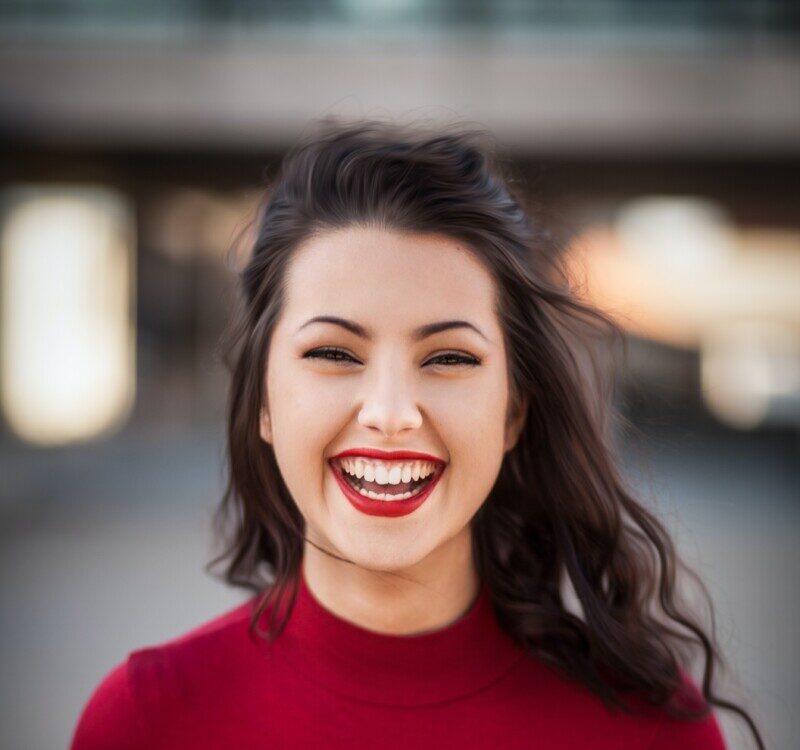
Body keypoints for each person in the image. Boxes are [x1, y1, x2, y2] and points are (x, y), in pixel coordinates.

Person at [69, 118, 763, 749]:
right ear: (264, 404)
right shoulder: (147, 721)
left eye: (450, 358)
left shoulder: (649, 727)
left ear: (515, 410)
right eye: (334, 354)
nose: (392, 413)